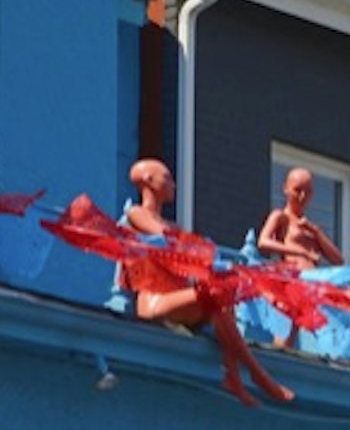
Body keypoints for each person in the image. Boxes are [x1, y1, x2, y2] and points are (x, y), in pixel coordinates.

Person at [119, 157, 292, 406]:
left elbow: (182, 246)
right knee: (216, 292)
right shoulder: (137, 213)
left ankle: (233, 374)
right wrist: (196, 247)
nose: (173, 184)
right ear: (148, 181)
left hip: (177, 299)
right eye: (167, 177)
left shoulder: (172, 225)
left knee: (222, 291)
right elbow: (167, 240)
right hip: (155, 302)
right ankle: (257, 374)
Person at [253, 165, 345, 272]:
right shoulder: (281, 216)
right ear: (286, 189)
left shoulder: (310, 227)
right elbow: (263, 242)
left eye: (308, 192)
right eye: (297, 190)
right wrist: (301, 252)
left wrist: (317, 232)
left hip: (313, 277)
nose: (302, 197)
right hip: (294, 275)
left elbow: (339, 260)